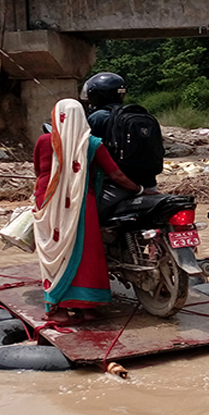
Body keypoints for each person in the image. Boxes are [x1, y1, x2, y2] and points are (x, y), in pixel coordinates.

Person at [33, 98, 143, 322]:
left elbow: (39, 171)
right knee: (86, 254)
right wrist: (140, 189)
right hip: (83, 204)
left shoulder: (45, 141)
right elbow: (116, 175)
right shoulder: (92, 144)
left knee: (56, 254)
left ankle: (60, 309)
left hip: (49, 203)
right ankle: (88, 307)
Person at [81, 71, 164, 191]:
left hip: (116, 184)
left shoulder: (98, 117)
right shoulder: (138, 114)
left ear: (96, 95)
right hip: (149, 183)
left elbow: (88, 150)